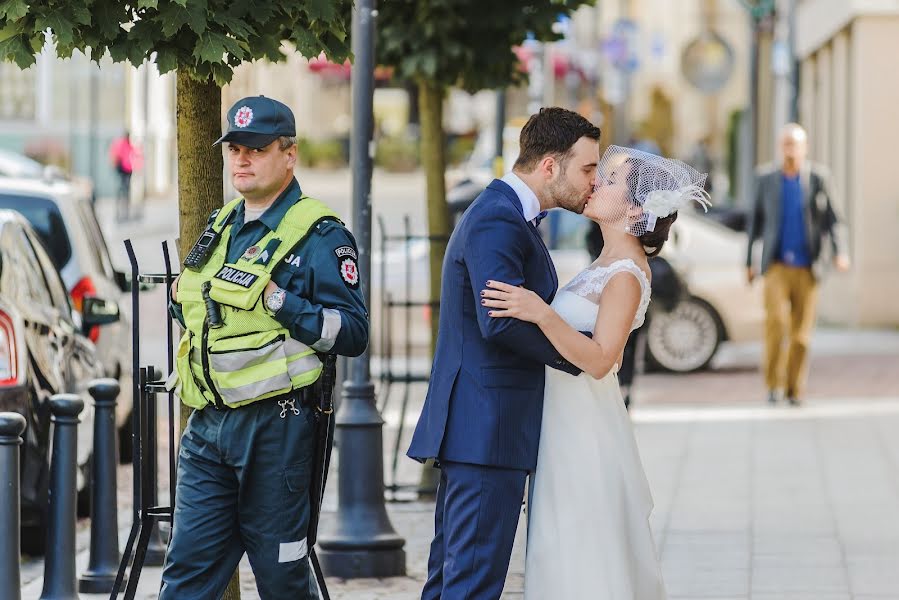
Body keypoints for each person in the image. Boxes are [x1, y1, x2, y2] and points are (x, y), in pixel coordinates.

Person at [159, 96, 368, 599]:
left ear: (289, 155)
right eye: (234, 149)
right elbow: (204, 313)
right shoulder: (221, 224)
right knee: (186, 578)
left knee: (282, 581)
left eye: (256, 148)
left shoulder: (322, 235)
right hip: (208, 427)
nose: (242, 159)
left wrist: (280, 302)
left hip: (279, 432)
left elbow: (354, 334)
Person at [482, 145, 710, 598]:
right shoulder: (603, 264)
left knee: (580, 546)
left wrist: (541, 313)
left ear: (634, 207)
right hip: (563, 419)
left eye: (609, 181)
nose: (595, 183)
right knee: (558, 543)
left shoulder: (625, 274)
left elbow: (604, 358)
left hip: (583, 428)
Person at [407, 107, 600, 599]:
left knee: (452, 581)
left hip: (482, 429)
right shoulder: (498, 218)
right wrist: (577, 354)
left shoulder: (507, 213)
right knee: (470, 584)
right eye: (587, 169)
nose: (592, 182)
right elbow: (500, 321)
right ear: (550, 166)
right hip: (486, 431)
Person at [746, 123, 850, 406]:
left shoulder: (818, 178)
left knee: (802, 336)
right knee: (776, 325)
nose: (790, 150)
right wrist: (748, 262)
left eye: (795, 144)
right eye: (786, 144)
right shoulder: (766, 179)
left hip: (808, 266)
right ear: (780, 148)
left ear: (805, 148)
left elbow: (835, 220)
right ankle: (773, 385)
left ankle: (795, 389)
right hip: (776, 265)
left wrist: (841, 253)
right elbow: (754, 222)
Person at [108, 131, 141, 221]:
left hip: (127, 170)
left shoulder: (128, 145)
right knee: (123, 190)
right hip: (122, 169)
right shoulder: (122, 144)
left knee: (125, 190)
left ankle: (124, 211)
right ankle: (120, 212)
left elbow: (134, 156)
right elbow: (116, 156)